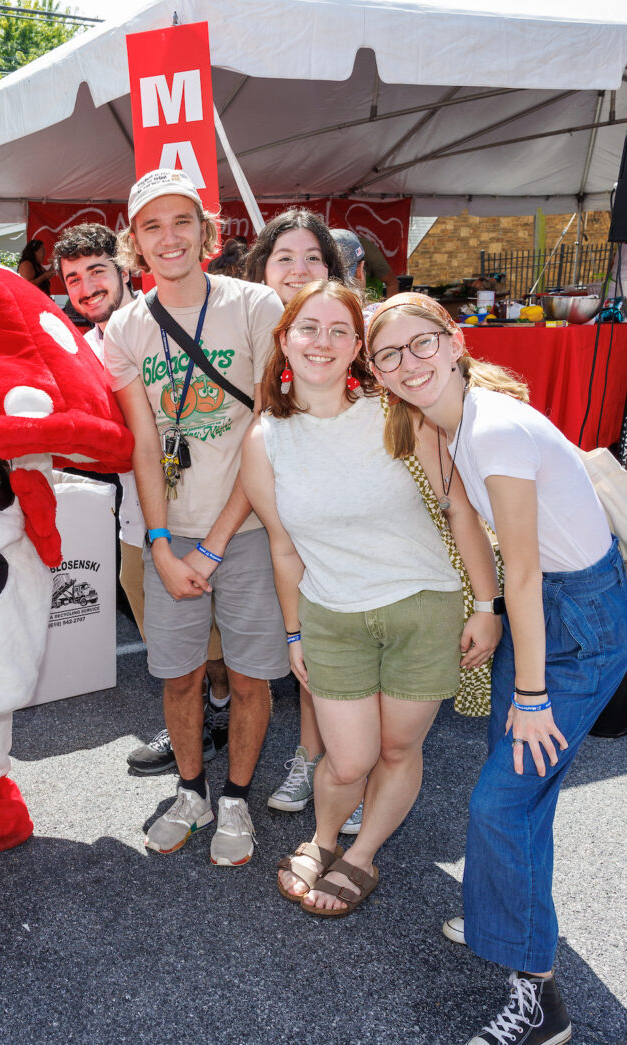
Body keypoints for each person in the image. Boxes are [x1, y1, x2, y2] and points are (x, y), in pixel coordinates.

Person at [368, 293, 627, 1045]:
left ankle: (539, 1005)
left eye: (420, 345)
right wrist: (483, 608)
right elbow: (463, 518)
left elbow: (524, 569)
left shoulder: (496, 428)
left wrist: (531, 691)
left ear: (453, 342)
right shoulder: (444, 424)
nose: (408, 363)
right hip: (539, 606)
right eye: (389, 355)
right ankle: (505, 917)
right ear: (378, 373)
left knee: (502, 801)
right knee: (519, 788)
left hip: (579, 619)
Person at [242, 281, 500, 917]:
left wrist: (488, 606)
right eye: (309, 329)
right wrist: (295, 632)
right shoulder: (265, 439)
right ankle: (322, 837)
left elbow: (460, 510)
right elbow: (282, 548)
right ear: (284, 340)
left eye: (339, 331)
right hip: (333, 617)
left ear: (358, 346)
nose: (322, 342)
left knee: (396, 750)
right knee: (349, 757)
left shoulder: (397, 412)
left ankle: (361, 857)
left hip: (425, 608)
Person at [102, 168, 287, 867]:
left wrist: (210, 546)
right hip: (169, 535)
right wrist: (158, 540)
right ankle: (192, 790)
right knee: (177, 676)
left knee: (249, 677)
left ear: (207, 233)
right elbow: (145, 442)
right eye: (153, 225)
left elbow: (269, 429)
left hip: (247, 529)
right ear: (135, 243)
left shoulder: (256, 305)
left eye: (183, 221)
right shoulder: (122, 327)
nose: (169, 237)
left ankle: (236, 795)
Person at [52, 222, 230, 776]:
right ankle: (193, 712)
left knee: (221, 630)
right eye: (73, 279)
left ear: (124, 268)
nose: (86, 287)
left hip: (211, 503)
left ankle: (219, 707)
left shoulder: (170, 321)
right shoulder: (81, 351)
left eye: (97, 271)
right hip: (137, 515)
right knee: (160, 622)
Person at [240, 208, 351, 819]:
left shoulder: (344, 329)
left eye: (312, 257)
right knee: (304, 634)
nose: (298, 268)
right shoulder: (254, 326)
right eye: (284, 257)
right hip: (277, 508)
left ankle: (329, 760)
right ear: (262, 267)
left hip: (342, 511)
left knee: (334, 637)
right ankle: (320, 757)